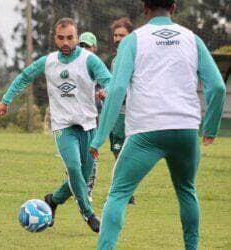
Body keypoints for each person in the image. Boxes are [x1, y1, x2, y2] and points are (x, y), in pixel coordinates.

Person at [89, 0, 226, 249]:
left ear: (144, 8)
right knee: (186, 190)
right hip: (185, 129)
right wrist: (210, 127)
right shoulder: (192, 39)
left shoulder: (133, 40)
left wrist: (99, 138)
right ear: (174, 7)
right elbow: (217, 86)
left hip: (146, 131)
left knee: (119, 193)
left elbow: (117, 88)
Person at [0, 18, 112, 233]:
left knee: (81, 180)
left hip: (88, 127)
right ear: (55, 38)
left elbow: (109, 80)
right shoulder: (48, 62)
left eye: (70, 37)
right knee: (74, 169)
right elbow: (23, 77)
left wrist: (107, 91)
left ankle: (53, 200)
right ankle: (89, 215)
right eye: (61, 38)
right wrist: (5, 100)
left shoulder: (89, 60)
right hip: (63, 127)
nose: (65, 42)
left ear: (76, 37)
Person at [109, 17, 136, 205]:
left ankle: (126, 192)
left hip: (129, 112)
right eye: (116, 35)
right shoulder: (115, 60)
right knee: (118, 152)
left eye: (122, 35)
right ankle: (127, 191)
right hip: (117, 112)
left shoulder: (135, 57)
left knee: (125, 152)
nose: (118, 39)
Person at [78, 31, 104, 202]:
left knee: (91, 155)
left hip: (92, 119)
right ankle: (75, 187)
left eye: (88, 46)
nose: (85, 49)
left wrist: (102, 94)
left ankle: (87, 190)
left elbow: (107, 87)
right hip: (73, 118)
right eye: (82, 46)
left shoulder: (98, 67)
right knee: (74, 157)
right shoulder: (72, 65)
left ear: (94, 48)